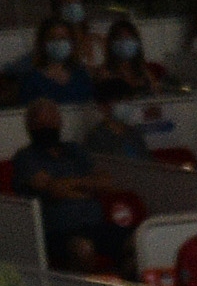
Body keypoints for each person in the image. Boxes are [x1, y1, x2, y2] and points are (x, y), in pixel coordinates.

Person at [11, 99, 125, 271]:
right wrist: (87, 186)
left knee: (138, 241)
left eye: (53, 120)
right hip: (59, 232)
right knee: (83, 249)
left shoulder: (74, 150)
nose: (50, 126)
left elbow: (105, 183)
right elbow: (55, 189)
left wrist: (73, 186)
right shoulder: (26, 157)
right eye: (43, 123)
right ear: (31, 127)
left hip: (95, 225)